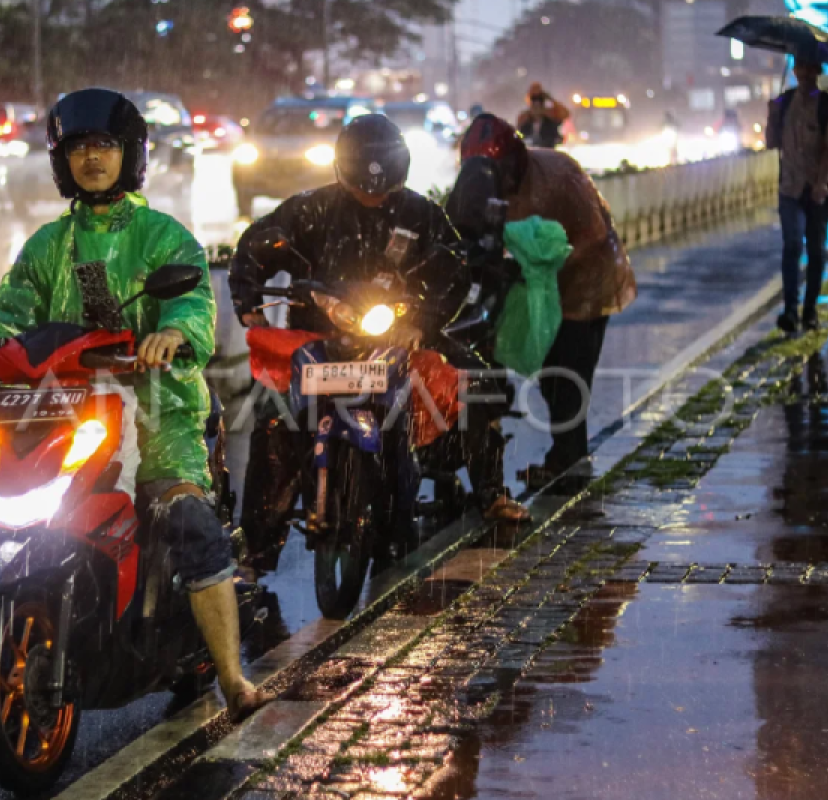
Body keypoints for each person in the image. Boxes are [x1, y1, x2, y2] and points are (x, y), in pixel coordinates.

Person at [0, 88, 268, 721]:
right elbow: (12, 310)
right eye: (77, 147)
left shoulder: (162, 235)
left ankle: (233, 678)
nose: (91, 159)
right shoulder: (47, 245)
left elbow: (193, 302)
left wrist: (174, 333)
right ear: (60, 160)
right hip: (65, 409)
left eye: (104, 146)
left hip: (159, 412)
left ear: (131, 156)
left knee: (188, 522)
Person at [230, 114, 528, 571]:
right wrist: (247, 294)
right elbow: (257, 245)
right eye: (362, 187)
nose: (372, 196)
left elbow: (453, 267)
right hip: (316, 342)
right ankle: (257, 552)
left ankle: (490, 492)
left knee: (476, 382)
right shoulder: (308, 209)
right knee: (273, 423)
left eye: (381, 188)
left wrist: (423, 322)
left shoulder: (420, 214)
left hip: (397, 338)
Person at [455, 114, 636, 485]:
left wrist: (544, 263)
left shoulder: (558, 176)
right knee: (536, 369)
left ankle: (569, 462)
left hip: (585, 282)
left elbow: (594, 236)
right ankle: (553, 457)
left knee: (567, 372)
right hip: (530, 284)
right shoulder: (479, 185)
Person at [766, 53, 828, 334]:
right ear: (795, 70)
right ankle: (790, 310)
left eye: (810, 68)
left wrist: (822, 184)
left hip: (817, 189)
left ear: (817, 70)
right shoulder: (784, 103)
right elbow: (771, 143)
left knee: (816, 250)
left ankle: (810, 310)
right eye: (800, 67)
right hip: (789, 188)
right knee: (791, 245)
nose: (805, 73)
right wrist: (772, 116)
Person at [516, 83, 569, 149]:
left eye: (539, 101)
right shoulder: (524, 118)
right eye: (534, 100)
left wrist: (551, 99)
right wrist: (521, 139)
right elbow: (518, 133)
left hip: (547, 153)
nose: (536, 106)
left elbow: (565, 114)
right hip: (529, 153)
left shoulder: (550, 119)